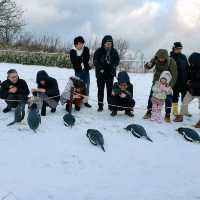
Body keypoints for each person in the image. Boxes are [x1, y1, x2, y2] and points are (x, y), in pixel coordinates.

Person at [143, 49, 177, 123]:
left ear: (166, 57)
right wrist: (147, 65)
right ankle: (149, 111)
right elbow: (147, 67)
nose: (161, 59)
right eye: (159, 58)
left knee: (168, 98)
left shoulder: (171, 62)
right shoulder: (155, 59)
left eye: (162, 58)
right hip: (157, 82)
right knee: (152, 96)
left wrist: (170, 85)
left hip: (167, 83)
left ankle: (167, 114)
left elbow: (174, 75)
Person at [93, 35, 120, 112]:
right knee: (100, 90)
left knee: (109, 90)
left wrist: (114, 66)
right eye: (107, 43)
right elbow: (95, 61)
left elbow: (117, 60)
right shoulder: (98, 51)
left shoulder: (114, 51)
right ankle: (100, 106)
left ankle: (110, 105)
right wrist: (100, 68)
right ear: (103, 43)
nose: (109, 44)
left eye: (110, 43)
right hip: (101, 74)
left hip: (110, 74)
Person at [174, 52, 200, 128]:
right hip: (192, 90)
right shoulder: (191, 67)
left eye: (192, 62)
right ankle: (180, 116)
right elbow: (188, 76)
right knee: (184, 102)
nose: (191, 63)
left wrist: (192, 83)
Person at [70, 36, 92, 108]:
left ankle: (85, 101)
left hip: (85, 71)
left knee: (87, 86)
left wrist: (79, 59)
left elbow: (87, 58)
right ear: (76, 44)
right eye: (80, 44)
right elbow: (74, 62)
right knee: (78, 87)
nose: (81, 45)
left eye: (82, 43)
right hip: (78, 72)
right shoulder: (72, 51)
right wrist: (81, 58)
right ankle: (77, 102)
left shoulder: (86, 49)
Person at [170, 42, 191, 116]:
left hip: (184, 80)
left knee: (185, 96)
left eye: (180, 48)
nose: (179, 50)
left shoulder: (183, 56)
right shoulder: (171, 57)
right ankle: (175, 110)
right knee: (175, 96)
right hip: (175, 81)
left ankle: (184, 110)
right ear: (174, 48)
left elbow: (187, 68)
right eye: (177, 48)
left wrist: (189, 78)